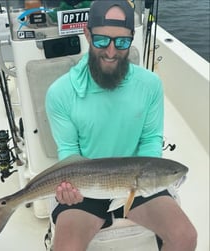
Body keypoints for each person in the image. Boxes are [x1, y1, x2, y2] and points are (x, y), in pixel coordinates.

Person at [45, 1, 197, 250]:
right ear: (87, 33)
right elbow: (69, 151)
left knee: (185, 236)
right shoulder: (60, 92)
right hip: (85, 186)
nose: (111, 51)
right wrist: (68, 189)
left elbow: (150, 140)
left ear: (131, 39)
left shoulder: (150, 85)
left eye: (122, 42)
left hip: (137, 182)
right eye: (102, 40)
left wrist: (145, 179)